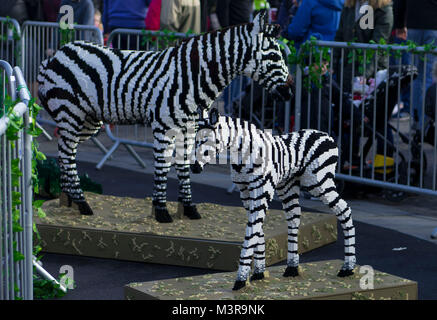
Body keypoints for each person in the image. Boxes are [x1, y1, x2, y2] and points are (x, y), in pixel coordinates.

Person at [393, 0, 437, 128]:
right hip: (433, 26)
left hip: (414, 26)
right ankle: (425, 122)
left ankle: (418, 119)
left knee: (416, 76)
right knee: (428, 77)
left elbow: (399, 3)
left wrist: (399, 25)